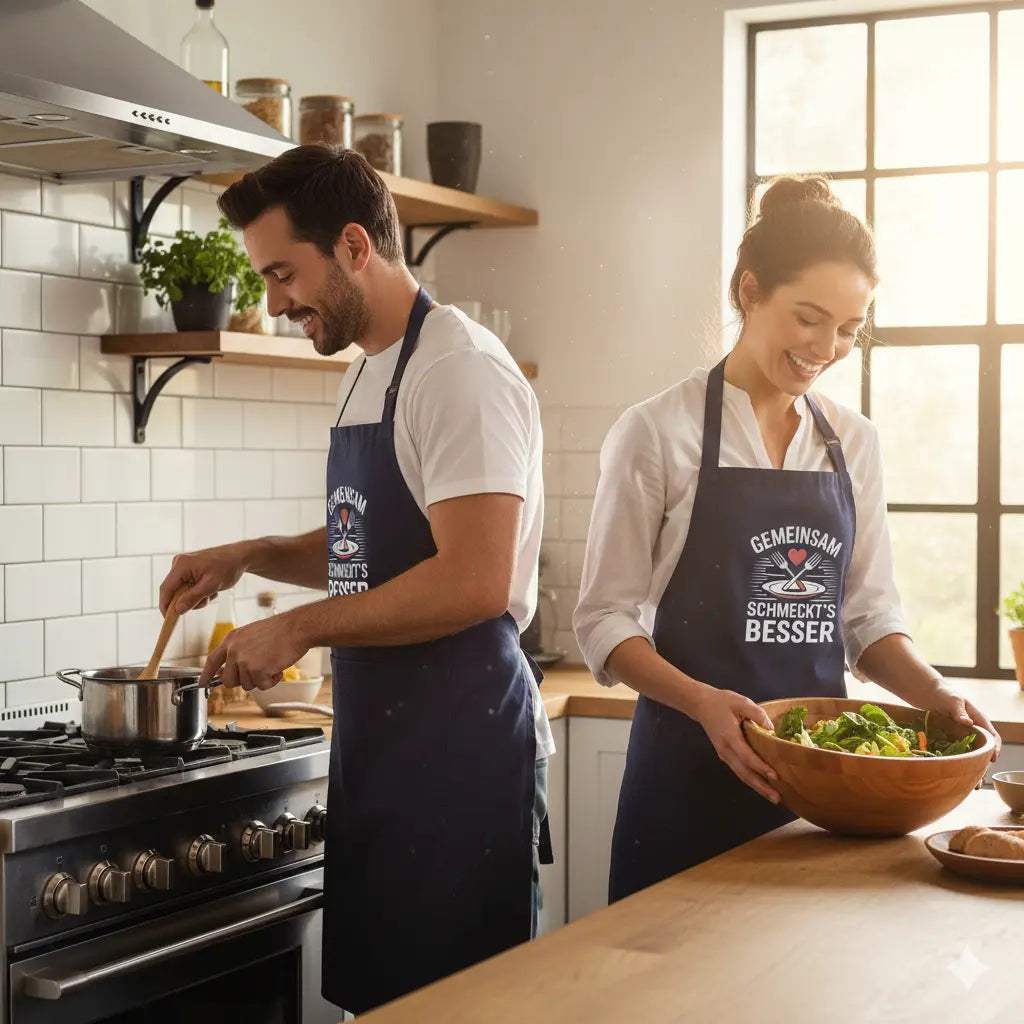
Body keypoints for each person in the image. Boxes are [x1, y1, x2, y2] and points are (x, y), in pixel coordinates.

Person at [157, 145, 554, 1014]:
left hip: (459, 757)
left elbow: (475, 580)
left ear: (352, 246)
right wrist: (250, 553)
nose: (274, 301)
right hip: (383, 752)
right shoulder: (373, 364)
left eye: (283, 274)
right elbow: (364, 544)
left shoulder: (458, 369)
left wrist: (299, 626)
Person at [573, 175, 1001, 903]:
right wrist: (707, 703)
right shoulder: (657, 432)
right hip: (684, 783)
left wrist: (935, 695)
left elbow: (865, 621)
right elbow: (603, 623)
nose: (827, 348)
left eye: (848, 329)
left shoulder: (852, 443)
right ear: (750, 291)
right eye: (809, 318)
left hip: (821, 799)